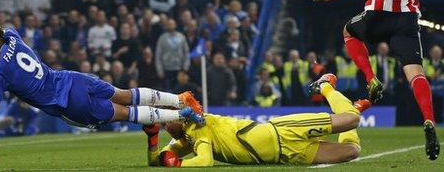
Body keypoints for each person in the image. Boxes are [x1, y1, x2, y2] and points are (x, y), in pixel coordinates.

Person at [309, 0, 439, 160]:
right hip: (408, 15)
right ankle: (429, 120)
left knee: (348, 30)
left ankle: (371, 80)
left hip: (380, 13)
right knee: (415, 74)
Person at [0, 24, 204, 129]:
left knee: (126, 113)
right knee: (126, 94)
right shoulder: (13, 38)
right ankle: (182, 99)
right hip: (74, 79)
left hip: (69, 103)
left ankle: (183, 116)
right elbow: (1, 29)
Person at [142, 74, 372, 167]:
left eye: (166, 119)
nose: (165, 125)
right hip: (286, 155)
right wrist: (152, 139)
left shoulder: (198, 127)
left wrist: (178, 164)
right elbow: (157, 161)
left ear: (181, 117)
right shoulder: (185, 140)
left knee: (351, 120)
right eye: (162, 122)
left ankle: (325, 86)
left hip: (283, 132)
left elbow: (204, 162)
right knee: (352, 151)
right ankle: (353, 106)